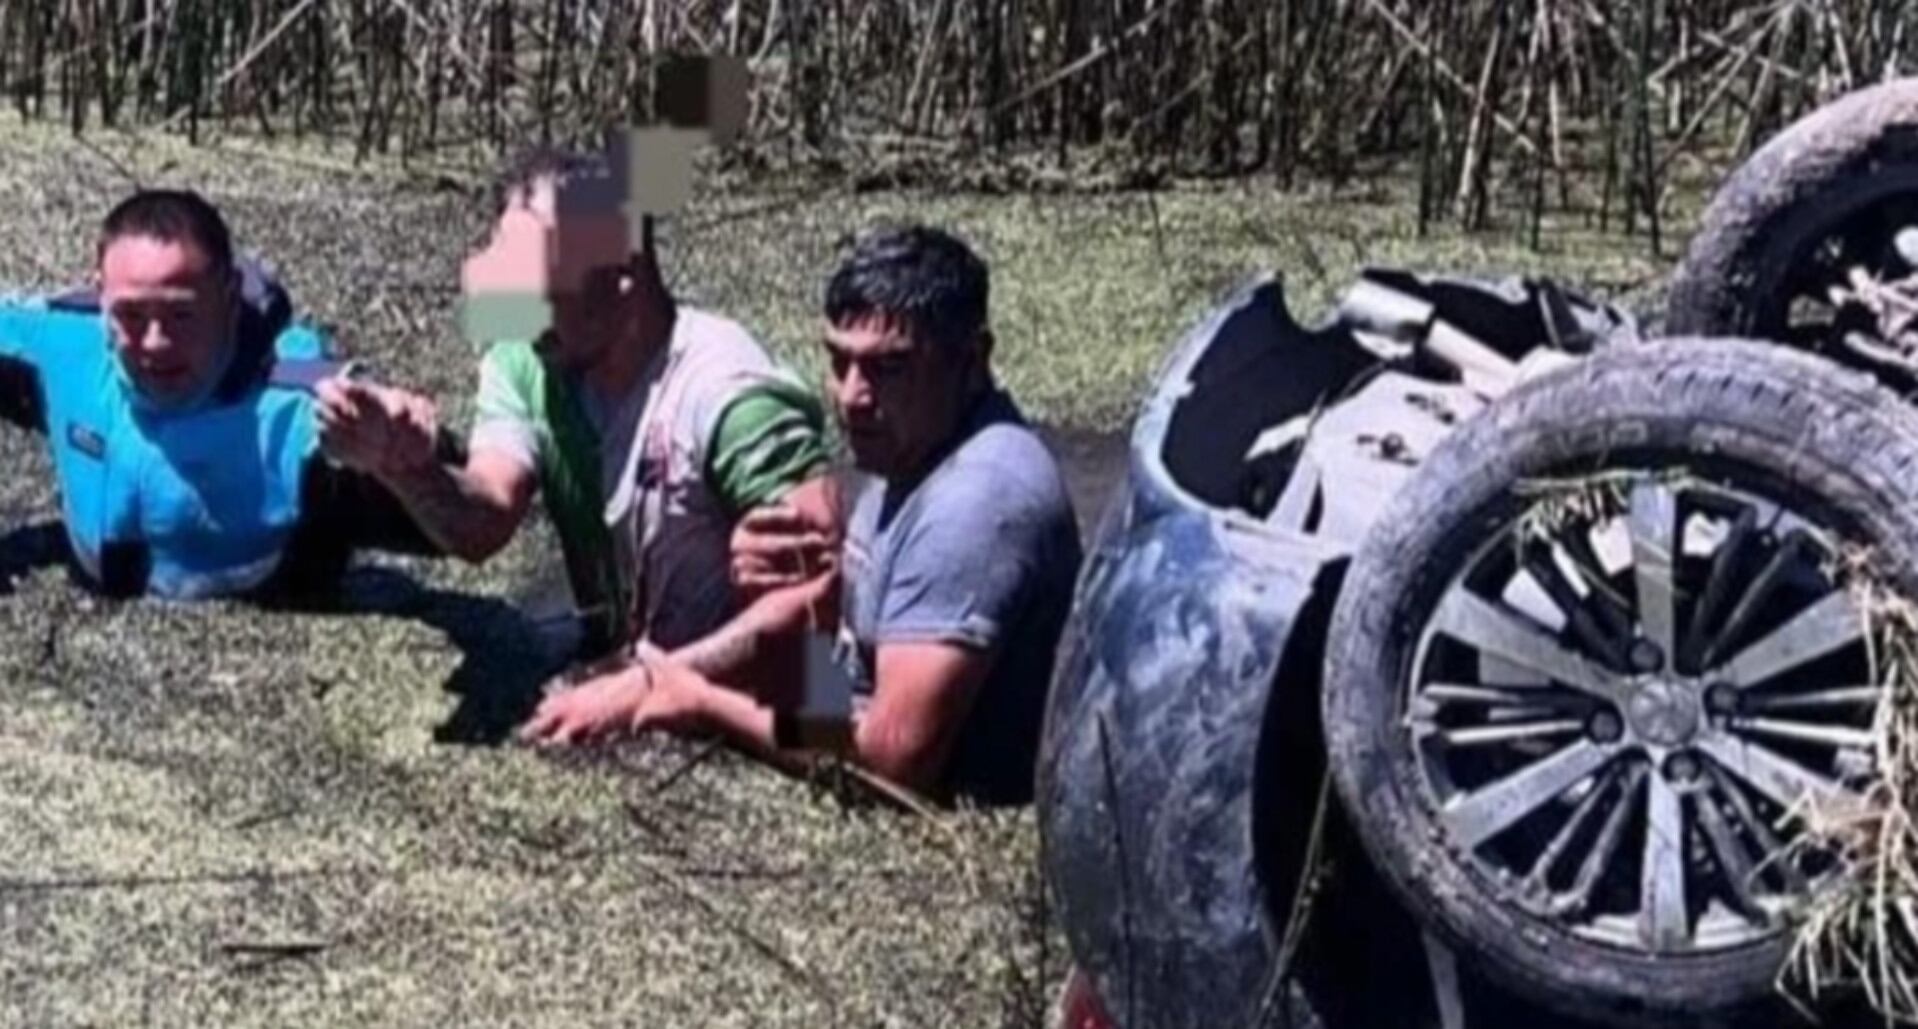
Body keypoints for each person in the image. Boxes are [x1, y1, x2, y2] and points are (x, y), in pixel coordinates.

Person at [542, 224, 1084, 807]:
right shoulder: (914, 454)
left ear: (973, 360)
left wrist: (700, 701)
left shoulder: (977, 504)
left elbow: (892, 764)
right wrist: (760, 591)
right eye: (839, 361)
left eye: (889, 368)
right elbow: (847, 671)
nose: (852, 396)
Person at [316, 143, 835, 671]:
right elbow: (484, 522)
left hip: (736, 703)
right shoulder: (527, 360)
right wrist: (404, 468)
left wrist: (666, 689)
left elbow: (827, 609)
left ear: (623, 269)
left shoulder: (728, 400)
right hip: (628, 679)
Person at [0, 188, 448, 601]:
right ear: (100, 299)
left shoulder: (297, 414)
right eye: (132, 315)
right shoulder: (66, 348)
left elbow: (476, 522)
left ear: (230, 296)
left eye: (182, 315)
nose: (155, 341)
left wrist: (411, 461)